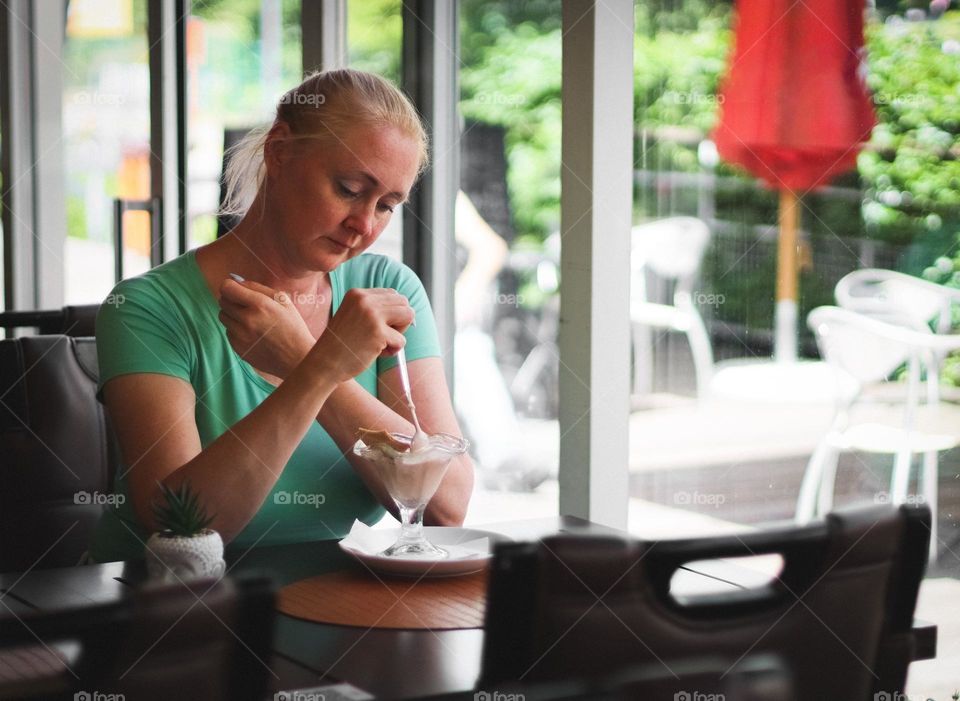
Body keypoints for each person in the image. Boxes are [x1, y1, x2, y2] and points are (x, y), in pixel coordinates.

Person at [88, 69, 474, 563]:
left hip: (342, 603)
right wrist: (320, 367)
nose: (363, 224)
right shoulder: (146, 308)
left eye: (387, 206)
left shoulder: (387, 292)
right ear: (280, 151)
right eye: (350, 188)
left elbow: (446, 505)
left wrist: (305, 361)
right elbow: (179, 527)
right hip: (181, 609)